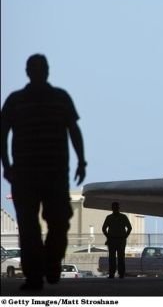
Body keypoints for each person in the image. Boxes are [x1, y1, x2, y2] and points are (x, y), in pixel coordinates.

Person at [1, 54, 87, 291]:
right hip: (33, 175)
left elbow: (73, 130)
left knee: (54, 224)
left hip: (48, 174)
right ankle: (36, 275)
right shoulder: (19, 101)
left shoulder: (56, 99)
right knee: (32, 228)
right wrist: (7, 166)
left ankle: (48, 264)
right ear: (30, 71)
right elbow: (3, 133)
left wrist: (82, 161)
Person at [101, 201, 132, 279]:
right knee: (120, 257)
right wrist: (125, 236)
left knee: (113, 257)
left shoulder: (109, 217)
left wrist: (108, 236)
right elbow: (129, 228)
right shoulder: (123, 217)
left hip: (113, 240)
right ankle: (120, 274)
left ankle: (113, 273)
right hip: (120, 240)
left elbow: (104, 229)